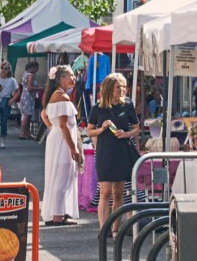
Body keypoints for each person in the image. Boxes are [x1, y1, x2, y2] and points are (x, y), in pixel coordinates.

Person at [89, 75, 143, 229]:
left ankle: (114, 229)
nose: (122, 90)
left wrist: (126, 134)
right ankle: (103, 228)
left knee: (118, 193)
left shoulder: (127, 105)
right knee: (105, 192)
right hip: (105, 152)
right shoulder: (97, 109)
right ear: (109, 88)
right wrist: (102, 128)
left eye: (124, 86)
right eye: (119, 87)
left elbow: (136, 128)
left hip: (122, 151)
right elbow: (90, 131)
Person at [42, 66, 85, 227]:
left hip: (56, 139)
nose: (74, 78)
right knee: (63, 177)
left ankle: (56, 212)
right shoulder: (62, 97)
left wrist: (52, 128)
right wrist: (73, 148)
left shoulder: (53, 96)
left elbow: (44, 115)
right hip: (62, 141)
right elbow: (64, 125)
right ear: (61, 78)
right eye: (70, 75)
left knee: (56, 175)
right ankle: (58, 215)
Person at [21, 64, 44, 139]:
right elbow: (30, 87)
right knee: (27, 115)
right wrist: (39, 88)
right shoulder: (30, 76)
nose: (37, 71)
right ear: (33, 68)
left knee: (28, 115)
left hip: (25, 96)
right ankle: (23, 133)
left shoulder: (25, 74)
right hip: (29, 97)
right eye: (36, 69)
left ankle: (27, 133)